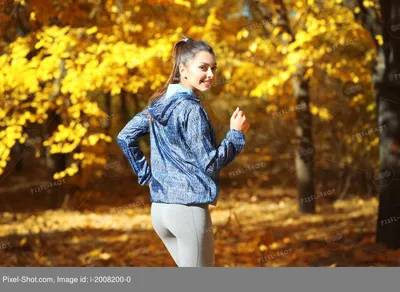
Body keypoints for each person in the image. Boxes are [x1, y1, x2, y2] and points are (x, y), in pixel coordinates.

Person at [117, 36, 250, 267]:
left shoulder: (158, 104)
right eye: (203, 67)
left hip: (160, 211)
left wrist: (147, 177)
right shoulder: (191, 110)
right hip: (187, 211)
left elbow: (125, 136)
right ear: (183, 70)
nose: (210, 74)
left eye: (213, 68)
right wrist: (236, 135)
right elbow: (209, 163)